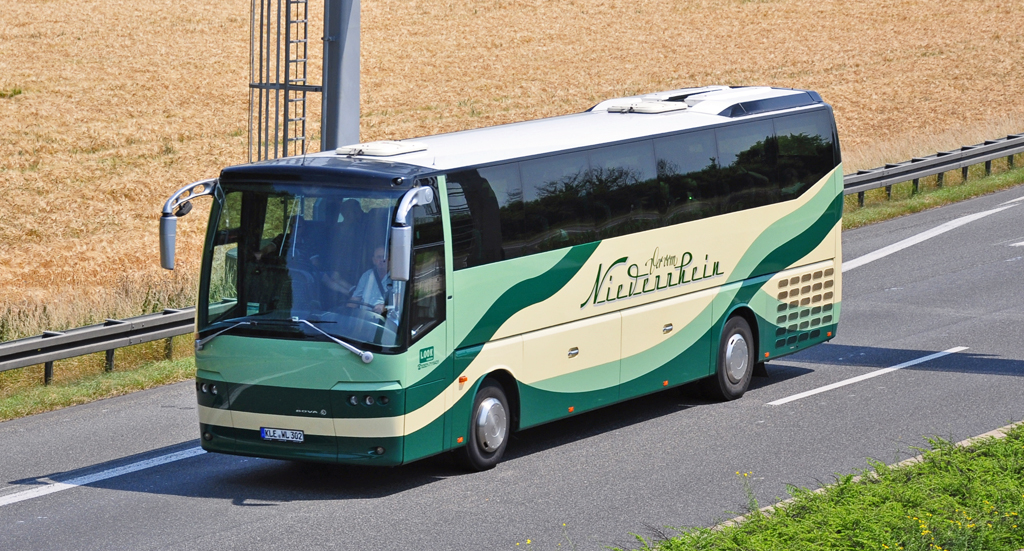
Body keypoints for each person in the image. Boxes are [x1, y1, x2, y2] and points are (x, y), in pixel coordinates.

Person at [350, 246, 393, 316]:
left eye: (384, 257)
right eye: (378, 257)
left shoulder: (396, 277)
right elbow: (356, 298)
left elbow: (399, 300)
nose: (382, 260)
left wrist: (384, 307)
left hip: (386, 320)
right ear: (373, 260)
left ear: (390, 259)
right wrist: (345, 313)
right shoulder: (366, 275)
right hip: (364, 318)